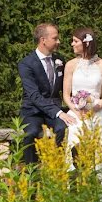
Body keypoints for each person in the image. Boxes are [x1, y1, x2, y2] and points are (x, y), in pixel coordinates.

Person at [62, 27, 102, 187]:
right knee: (75, 144)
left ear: (86, 44)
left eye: (75, 41)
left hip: (97, 112)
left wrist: (92, 110)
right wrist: (77, 110)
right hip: (76, 113)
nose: (72, 44)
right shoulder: (71, 65)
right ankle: (75, 186)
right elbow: (66, 95)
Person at [18, 23, 77, 165]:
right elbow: (34, 95)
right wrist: (58, 113)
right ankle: (30, 173)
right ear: (43, 40)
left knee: (62, 128)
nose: (59, 41)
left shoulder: (60, 60)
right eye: (55, 38)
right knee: (30, 133)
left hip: (54, 110)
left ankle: (57, 168)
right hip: (33, 111)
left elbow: (67, 88)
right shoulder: (26, 64)